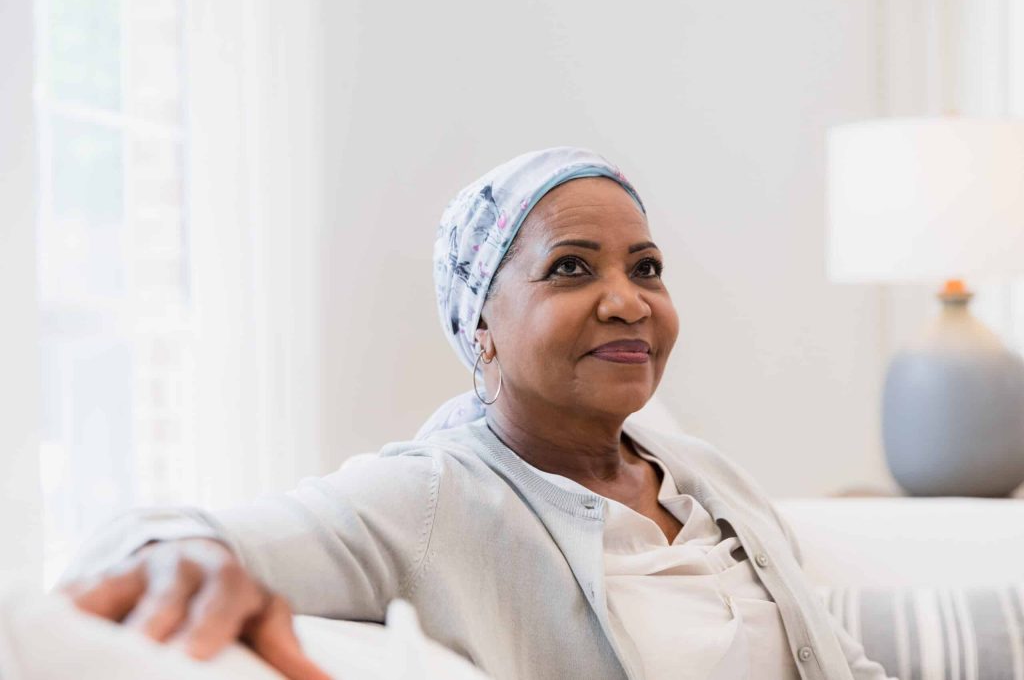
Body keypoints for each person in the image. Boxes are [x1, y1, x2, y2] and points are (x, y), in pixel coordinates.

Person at [59, 147, 896, 680]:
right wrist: (173, 554)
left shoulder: (706, 473)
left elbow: (844, 659)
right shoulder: (433, 495)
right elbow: (164, 538)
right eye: (571, 268)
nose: (628, 301)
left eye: (646, 268)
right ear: (481, 327)